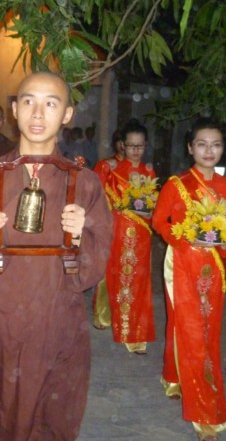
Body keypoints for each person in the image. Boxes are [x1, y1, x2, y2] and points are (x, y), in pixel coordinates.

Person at [0, 71, 113, 440]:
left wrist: (82, 235)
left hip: (57, 316)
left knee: (50, 406)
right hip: (0, 315)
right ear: (15, 110)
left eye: (50, 104)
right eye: (29, 102)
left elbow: (99, 258)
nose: (38, 113)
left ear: (67, 114)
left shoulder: (85, 183)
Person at [151, 118, 226, 441]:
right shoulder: (177, 185)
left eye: (216, 144)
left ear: (223, 148)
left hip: (213, 270)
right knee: (192, 331)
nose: (209, 151)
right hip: (182, 264)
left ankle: (173, 377)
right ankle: (206, 416)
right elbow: (159, 221)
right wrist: (186, 239)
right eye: (202, 144)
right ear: (190, 147)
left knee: (204, 330)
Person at [91, 118, 156, 354]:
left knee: (138, 283)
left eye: (140, 146)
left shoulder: (148, 171)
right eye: (131, 145)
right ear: (122, 145)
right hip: (117, 233)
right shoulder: (111, 169)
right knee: (116, 278)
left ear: (145, 145)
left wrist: (149, 212)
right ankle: (115, 322)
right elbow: (97, 198)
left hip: (142, 235)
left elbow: (153, 206)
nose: (136, 150)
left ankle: (135, 333)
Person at [91, 126, 123, 330]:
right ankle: (103, 314)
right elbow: (94, 193)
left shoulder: (139, 170)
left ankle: (124, 315)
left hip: (132, 229)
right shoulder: (105, 166)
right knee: (106, 270)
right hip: (109, 224)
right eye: (121, 142)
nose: (125, 147)